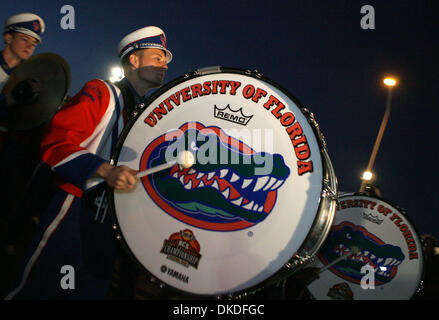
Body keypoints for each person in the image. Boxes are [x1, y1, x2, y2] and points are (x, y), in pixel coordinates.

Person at [5, 26, 172, 300]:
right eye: (157, 57)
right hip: (75, 210)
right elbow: (57, 144)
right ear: (134, 60)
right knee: (38, 290)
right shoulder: (101, 91)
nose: (164, 64)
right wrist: (104, 170)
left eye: (165, 59)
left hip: (112, 225)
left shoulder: (145, 116)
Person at [0, 13, 45, 256]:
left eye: (34, 42)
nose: (30, 45)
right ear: (8, 38)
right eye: (24, 38)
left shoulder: (31, 80)